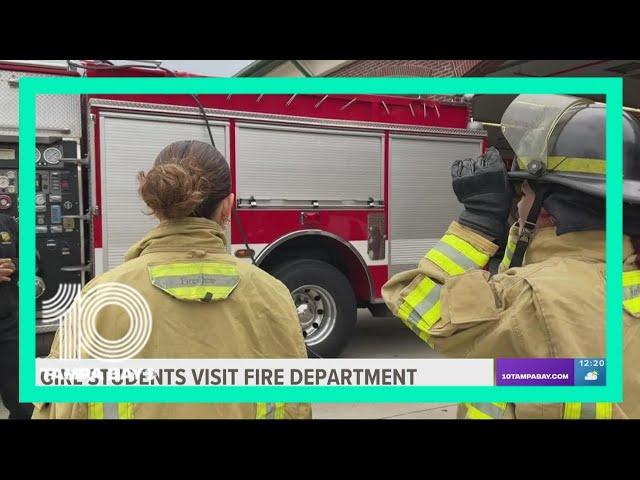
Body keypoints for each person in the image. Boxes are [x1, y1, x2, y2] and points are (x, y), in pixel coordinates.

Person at [382, 94, 640, 419]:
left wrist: (475, 224)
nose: (517, 204)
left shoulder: (539, 297)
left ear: (549, 210)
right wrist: (522, 237)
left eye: (524, 193)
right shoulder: (622, 278)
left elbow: (419, 305)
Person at [33, 140, 312, 419]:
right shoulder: (272, 295)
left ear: (155, 207)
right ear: (228, 207)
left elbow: (58, 407)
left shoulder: (98, 298)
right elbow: (295, 407)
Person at [0, 212, 34, 419]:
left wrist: (15, 264)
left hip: (8, 323)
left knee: (22, 400)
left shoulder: (8, 223)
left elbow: (34, 259)